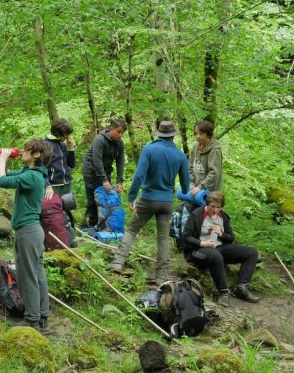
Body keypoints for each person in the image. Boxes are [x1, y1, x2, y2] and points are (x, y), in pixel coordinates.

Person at [110, 120, 191, 284]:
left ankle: (117, 263)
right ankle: (161, 276)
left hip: (147, 200)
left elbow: (139, 176)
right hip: (166, 202)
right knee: (162, 238)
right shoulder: (180, 155)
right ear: (172, 136)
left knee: (131, 230)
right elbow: (185, 185)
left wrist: (131, 197)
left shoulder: (149, 149)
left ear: (159, 134)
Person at [0, 139, 53, 333]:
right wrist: (6, 159)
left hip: (28, 232)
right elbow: (7, 175)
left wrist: (3, 158)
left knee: (28, 277)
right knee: (37, 274)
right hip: (33, 231)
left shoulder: (32, 177)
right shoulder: (33, 174)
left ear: (36, 154)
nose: (22, 152)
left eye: (26, 150)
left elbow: (1, 181)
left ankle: (32, 321)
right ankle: (42, 316)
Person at [180, 191, 260, 306]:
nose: (215, 210)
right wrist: (202, 243)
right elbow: (186, 237)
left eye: (219, 207)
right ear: (207, 204)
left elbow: (230, 238)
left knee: (252, 253)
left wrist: (221, 234)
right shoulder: (196, 215)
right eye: (213, 206)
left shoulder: (223, 216)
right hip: (196, 251)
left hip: (219, 248)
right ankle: (223, 292)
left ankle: (242, 287)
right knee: (215, 256)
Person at [81, 119, 127, 228]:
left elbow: (120, 162)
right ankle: (89, 224)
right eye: (118, 131)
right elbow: (97, 160)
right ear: (111, 129)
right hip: (90, 170)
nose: (120, 135)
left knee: (106, 196)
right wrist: (104, 179)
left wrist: (119, 181)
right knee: (93, 198)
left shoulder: (120, 143)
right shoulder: (99, 140)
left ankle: (104, 223)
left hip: (105, 170)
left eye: (122, 132)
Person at [189, 120, 223, 195]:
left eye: (200, 134)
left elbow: (214, 173)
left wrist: (201, 186)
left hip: (210, 194)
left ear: (208, 134)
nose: (197, 136)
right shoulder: (195, 147)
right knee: (182, 207)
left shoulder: (215, 150)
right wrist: (191, 182)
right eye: (196, 133)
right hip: (196, 190)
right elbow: (190, 166)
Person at [45, 118, 76, 197]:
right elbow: (41, 168)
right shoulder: (46, 145)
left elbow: (72, 165)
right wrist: (47, 186)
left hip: (67, 185)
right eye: (67, 134)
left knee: (68, 209)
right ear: (58, 133)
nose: (68, 136)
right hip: (53, 187)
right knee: (55, 209)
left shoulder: (63, 145)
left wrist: (70, 148)